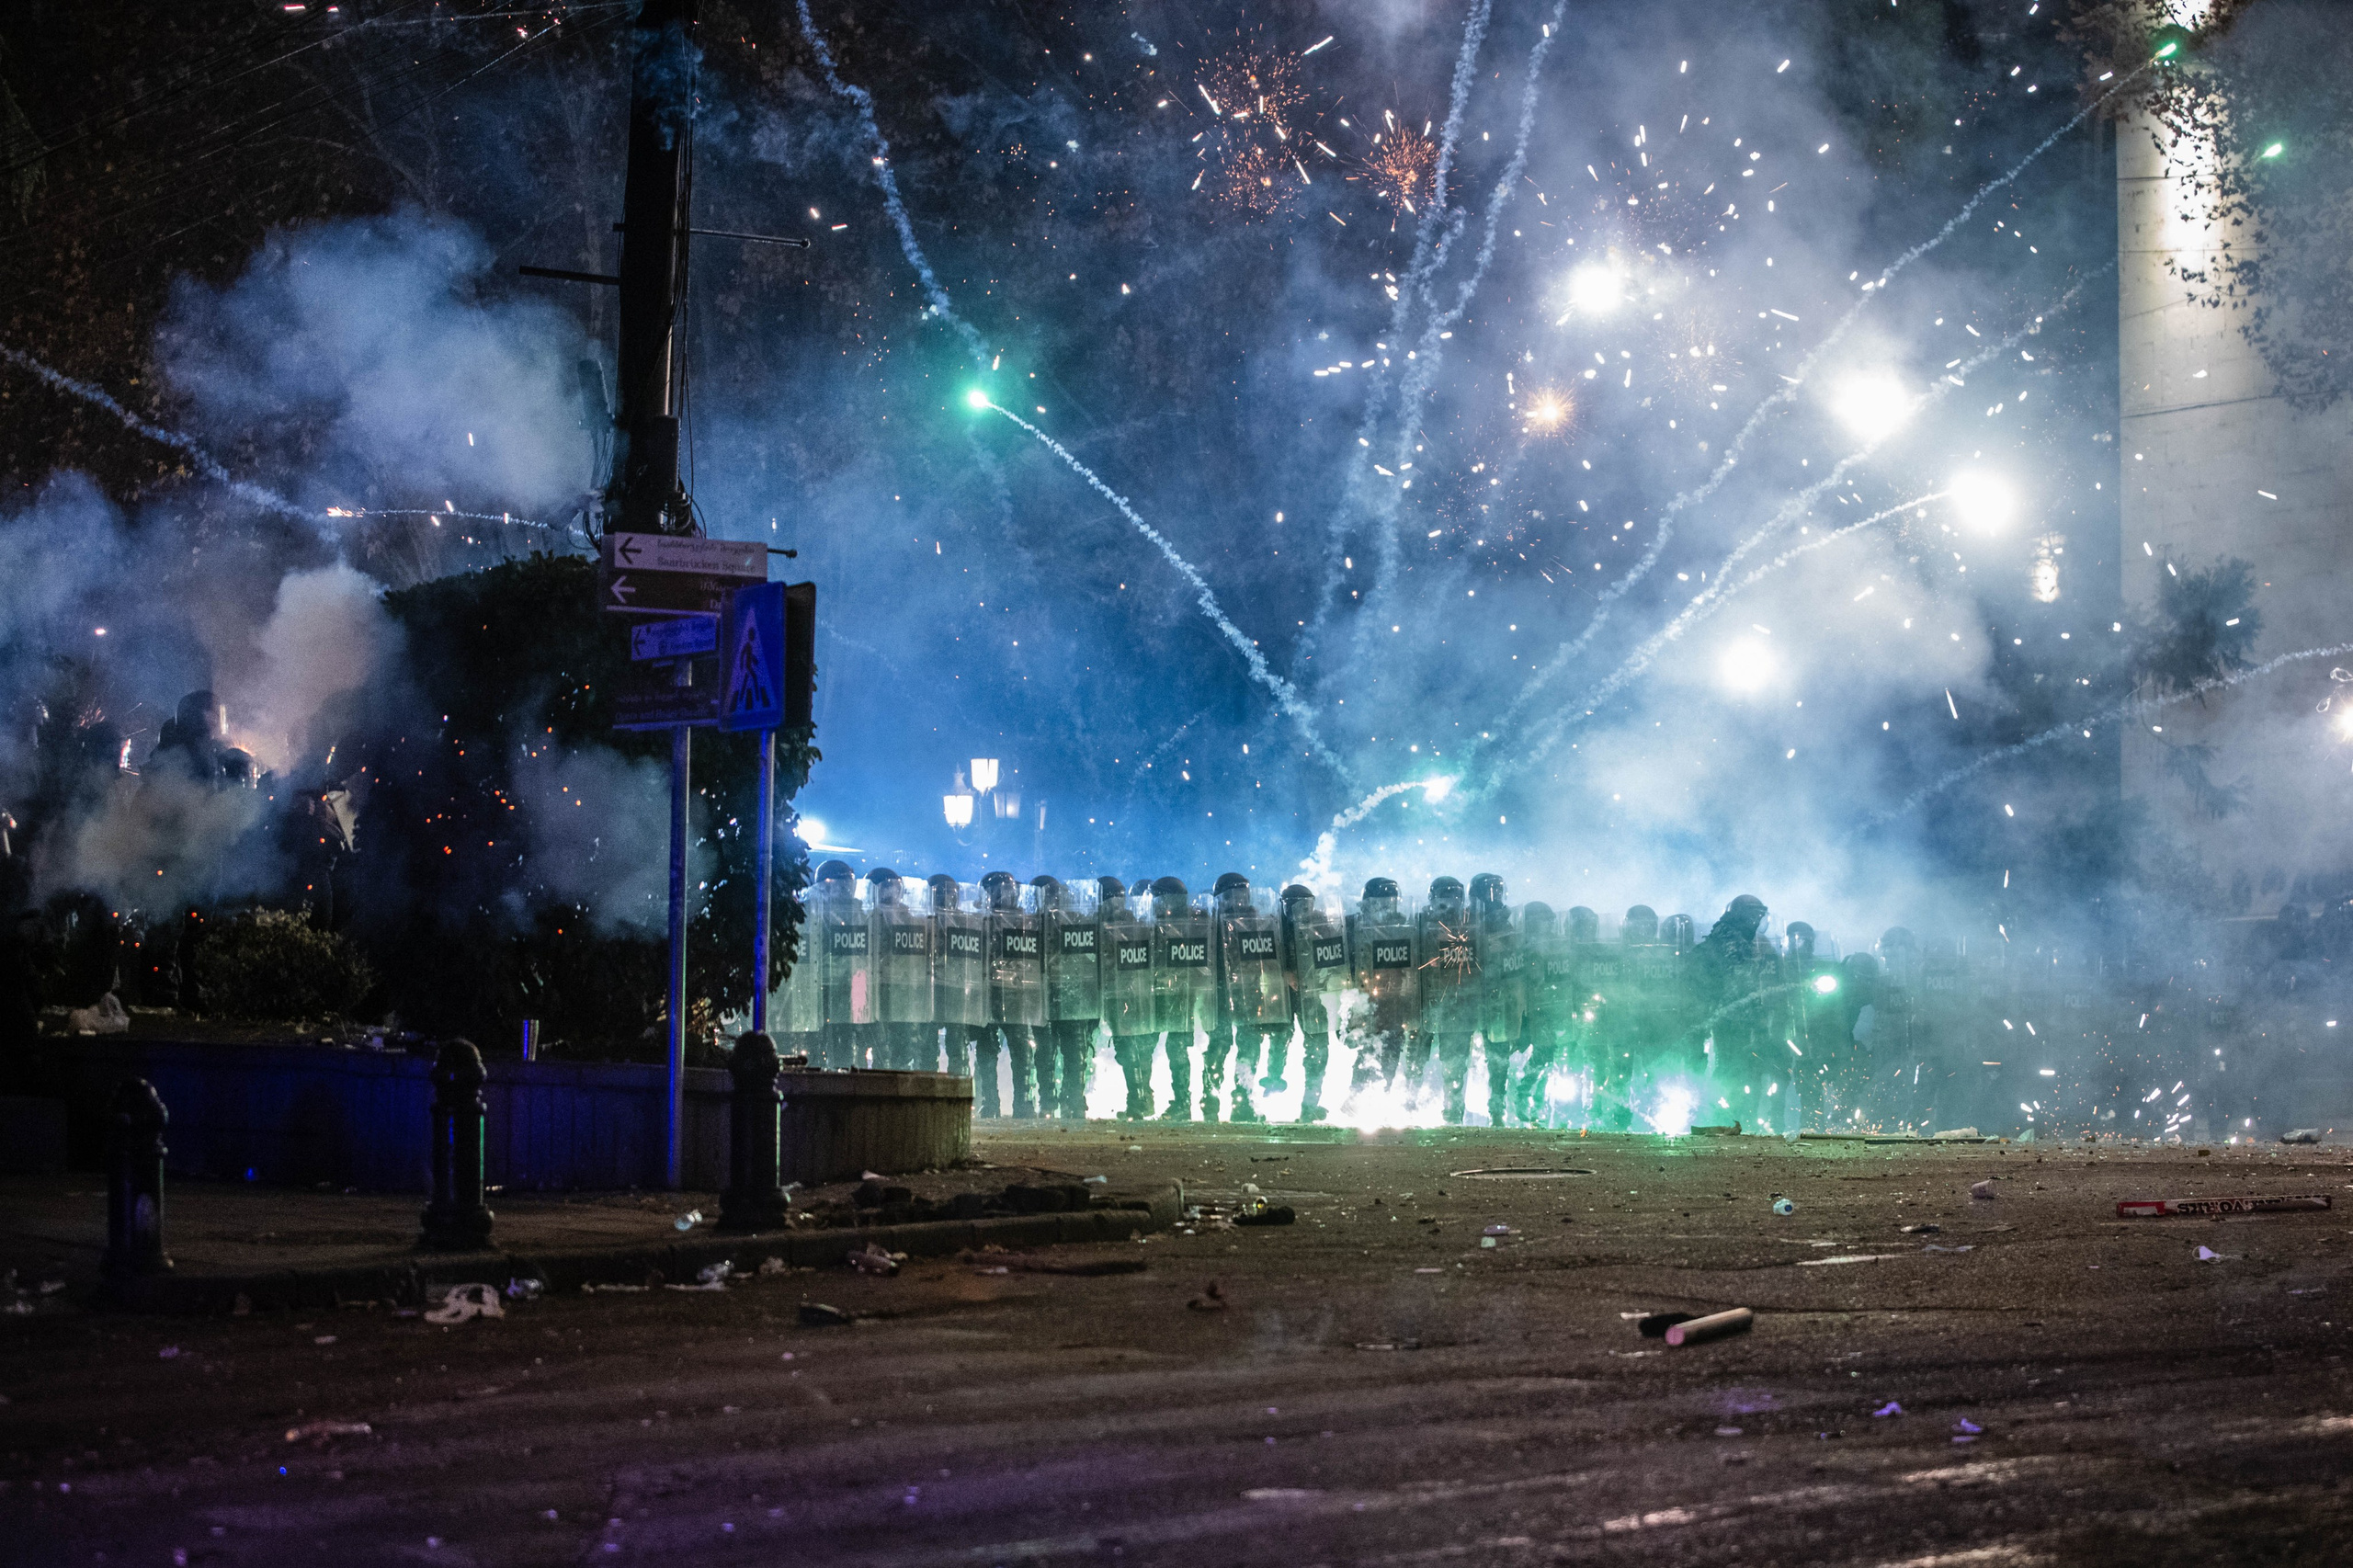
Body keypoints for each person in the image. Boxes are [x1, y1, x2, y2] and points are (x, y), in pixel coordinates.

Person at [1207, 872, 1282, 1123]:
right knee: (1219, 1049)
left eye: (1242, 895)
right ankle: (1211, 1104)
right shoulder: (1210, 923)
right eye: (1232, 895)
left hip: (1248, 994)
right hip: (1219, 995)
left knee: (1248, 1050)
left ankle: (1243, 1104)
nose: (1237, 901)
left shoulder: (1257, 923)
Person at [1344, 877, 1417, 1110]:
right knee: (1367, 1049)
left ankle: (1379, 1098)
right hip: (1364, 1000)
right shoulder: (1352, 926)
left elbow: (1414, 965)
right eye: (1381, 903)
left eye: (1390, 903)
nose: (1386, 908)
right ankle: (1355, 1100)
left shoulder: (1404, 928)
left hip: (1394, 1000)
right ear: (1368, 904)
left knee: (1392, 1050)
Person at [1033, 874, 1100, 1119]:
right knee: (1048, 1052)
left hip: (1071, 996)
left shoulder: (1076, 920)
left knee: (1073, 1053)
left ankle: (1071, 1099)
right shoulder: (1030, 923)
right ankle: (1053, 1101)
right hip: (1048, 995)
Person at [1280, 883, 1347, 1123]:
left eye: (1305, 905)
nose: (1300, 911)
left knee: (1318, 1050)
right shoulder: (1278, 926)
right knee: (1283, 1046)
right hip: (1285, 998)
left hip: (1312, 996)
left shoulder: (1322, 926)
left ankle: (1310, 1106)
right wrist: (1284, 973)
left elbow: (1335, 959)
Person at [1415, 875, 1479, 1122]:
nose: (1449, 904)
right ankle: (1407, 1107)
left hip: (1457, 1002)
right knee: (1416, 1061)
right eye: (1445, 899)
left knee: (1454, 1064)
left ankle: (1452, 1113)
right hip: (1426, 1002)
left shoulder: (1471, 925)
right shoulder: (1420, 922)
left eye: (1454, 899)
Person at [982, 869, 1043, 1117]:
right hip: (990, 994)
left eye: (1009, 891)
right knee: (988, 1051)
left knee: (1020, 1051)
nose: (1006, 897)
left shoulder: (1025, 921)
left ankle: (1023, 1104)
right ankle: (991, 1103)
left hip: (1015, 993)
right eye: (1000, 891)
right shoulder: (983, 919)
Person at [1148, 876, 1209, 1119]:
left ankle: (1182, 1104)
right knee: (1153, 1045)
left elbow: (1204, 965)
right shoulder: (1156, 923)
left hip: (1181, 996)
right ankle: (1155, 1100)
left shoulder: (1195, 923)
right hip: (1160, 995)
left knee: (1174, 1047)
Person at [1098, 876, 1158, 1119]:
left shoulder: (1109, 926)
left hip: (1118, 994)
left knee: (1127, 1046)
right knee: (1141, 1049)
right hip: (1140, 994)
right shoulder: (1137, 924)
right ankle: (1142, 1099)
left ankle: (1138, 1101)